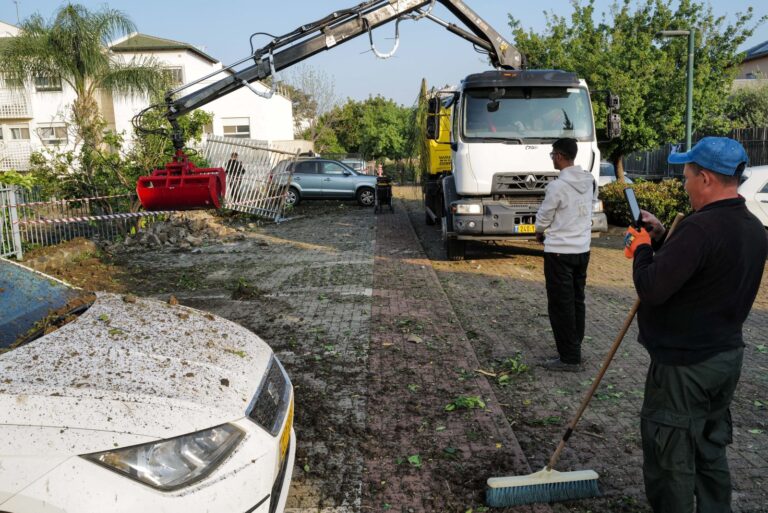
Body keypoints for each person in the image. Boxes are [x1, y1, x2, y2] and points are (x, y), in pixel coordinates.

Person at [623, 137, 767, 513]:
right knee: (709, 447)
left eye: (686, 176)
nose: (684, 184)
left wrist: (640, 248)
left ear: (705, 179)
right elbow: (700, 272)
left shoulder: (700, 229)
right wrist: (660, 239)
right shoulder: (752, 228)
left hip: (685, 368)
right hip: (724, 358)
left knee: (670, 457)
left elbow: (653, 288)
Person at [534, 138, 597, 372]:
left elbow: (544, 217)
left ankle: (569, 358)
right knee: (576, 300)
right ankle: (574, 346)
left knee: (561, 305)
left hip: (559, 252)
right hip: (582, 250)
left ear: (560, 156)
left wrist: (539, 233)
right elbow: (588, 208)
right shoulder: (589, 180)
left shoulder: (557, 187)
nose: (552, 158)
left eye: (552, 154)